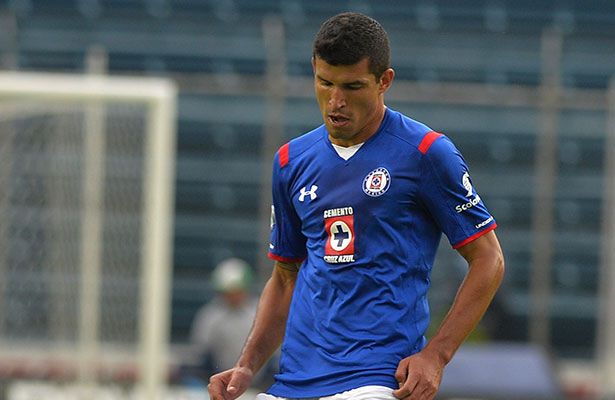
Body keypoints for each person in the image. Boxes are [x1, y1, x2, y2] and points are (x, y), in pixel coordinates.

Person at [208, 12, 505, 400]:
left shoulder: (426, 153)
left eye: (352, 86)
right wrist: (247, 365)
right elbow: (285, 278)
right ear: (314, 70)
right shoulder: (290, 162)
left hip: (375, 379)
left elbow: (489, 258)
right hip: (294, 381)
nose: (336, 101)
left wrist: (436, 354)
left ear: (384, 81)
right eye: (325, 83)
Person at [187, 258, 259, 381]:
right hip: (220, 379)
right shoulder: (210, 316)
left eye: (237, 291)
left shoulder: (260, 311)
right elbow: (200, 352)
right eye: (228, 292)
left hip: (259, 380)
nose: (233, 296)